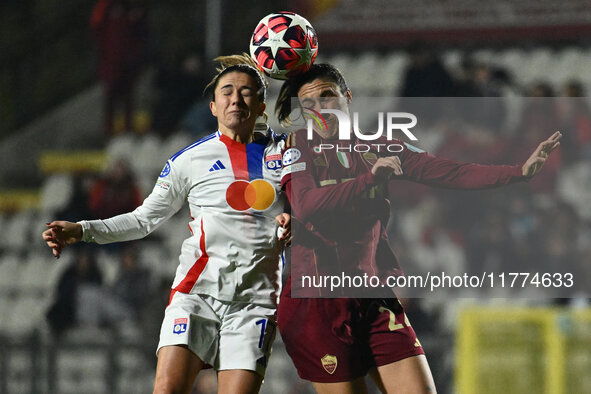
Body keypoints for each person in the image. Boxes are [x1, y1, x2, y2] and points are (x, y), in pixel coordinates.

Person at [274, 63, 561, 393]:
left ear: (347, 97)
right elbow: (307, 205)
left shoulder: (380, 146)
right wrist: (370, 179)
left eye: (327, 96)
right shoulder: (297, 147)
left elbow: (448, 171)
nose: (319, 109)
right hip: (319, 302)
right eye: (308, 104)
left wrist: (518, 172)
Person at [43, 54, 291, 394]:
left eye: (246, 92)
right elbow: (143, 220)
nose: (236, 98)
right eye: (227, 91)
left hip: (255, 301)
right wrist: (84, 229)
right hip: (196, 294)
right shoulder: (188, 161)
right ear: (213, 107)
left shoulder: (286, 157)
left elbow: (317, 213)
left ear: (262, 106)